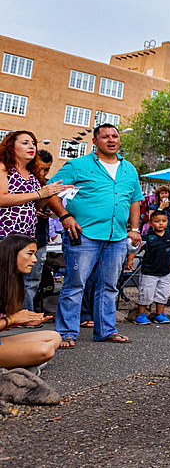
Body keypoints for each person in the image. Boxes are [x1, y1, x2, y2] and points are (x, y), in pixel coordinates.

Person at [47, 124, 142, 347]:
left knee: (109, 286)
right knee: (75, 284)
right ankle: (67, 332)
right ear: (95, 141)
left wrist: (135, 229)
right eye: (105, 136)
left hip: (117, 237)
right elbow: (50, 190)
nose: (111, 140)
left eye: (115, 136)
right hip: (84, 234)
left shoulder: (129, 169)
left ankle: (106, 330)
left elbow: (135, 199)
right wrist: (64, 215)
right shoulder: (78, 165)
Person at [0, 234, 60, 372]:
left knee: (53, 337)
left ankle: (17, 362)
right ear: (11, 254)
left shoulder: (11, 282)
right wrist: (12, 319)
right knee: (44, 351)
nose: (34, 260)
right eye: (30, 254)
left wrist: (20, 322)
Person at [0, 132, 70, 241]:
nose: (31, 146)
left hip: (27, 235)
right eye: (25, 143)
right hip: (5, 234)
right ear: (11, 147)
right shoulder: (3, 168)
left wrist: (48, 194)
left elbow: (33, 206)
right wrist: (39, 194)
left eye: (33, 143)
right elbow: (1, 199)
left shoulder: (32, 173)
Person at [126, 210, 170, 324]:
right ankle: (141, 314)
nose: (161, 223)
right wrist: (130, 259)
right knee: (146, 293)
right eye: (157, 221)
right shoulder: (148, 237)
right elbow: (136, 248)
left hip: (166, 271)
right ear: (151, 223)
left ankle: (159, 314)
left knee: (163, 293)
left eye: (164, 221)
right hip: (149, 272)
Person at [25, 149, 53, 311]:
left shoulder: (48, 184)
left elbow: (57, 212)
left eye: (46, 169)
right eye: (39, 168)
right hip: (19, 237)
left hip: (39, 237)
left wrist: (49, 213)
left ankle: (28, 313)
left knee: (33, 278)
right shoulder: (21, 180)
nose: (42, 172)